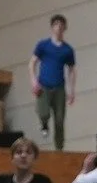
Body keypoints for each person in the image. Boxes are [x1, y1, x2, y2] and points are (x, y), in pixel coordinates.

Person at [29, 14, 78, 150]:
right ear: (52, 27)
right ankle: (44, 124)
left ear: (64, 28)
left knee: (60, 120)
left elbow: (71, 70)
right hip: (43, 85)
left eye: (61, 26)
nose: (58, 28)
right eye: (56, 25)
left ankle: (59, 148)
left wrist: (71, 90)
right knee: (43, 112)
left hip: (59, 87)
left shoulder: (67, 50)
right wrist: (33, 81)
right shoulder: (43, 45)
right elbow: (32, 63)